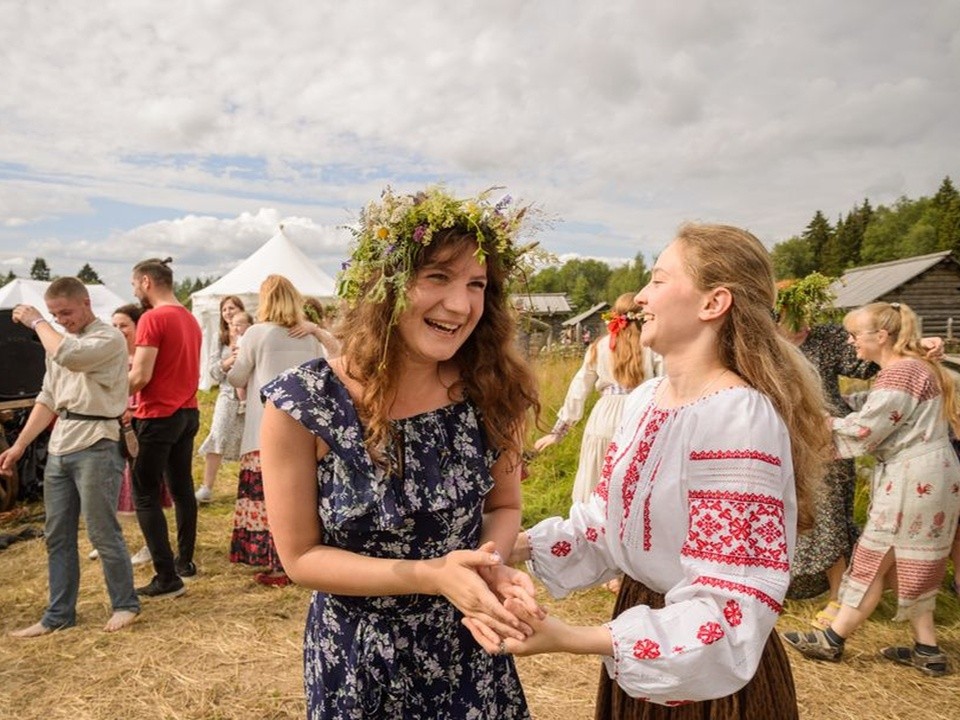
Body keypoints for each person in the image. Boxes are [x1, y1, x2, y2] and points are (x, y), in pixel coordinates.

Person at [472, 223, 833, 717]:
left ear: (714, 303)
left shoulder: (734, 417)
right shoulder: (645, 400)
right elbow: (606, 522)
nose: (642, 296)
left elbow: (730, 607)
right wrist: (513, 546)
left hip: (701, 677)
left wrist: (571, 637)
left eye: (660, 280)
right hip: (646, 629)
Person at [258, 186, 542, 719]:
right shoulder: (304, 404)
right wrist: (430, 574)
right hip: (361, 656)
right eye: (437, 277)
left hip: (468, 645)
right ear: (386, 285)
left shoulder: (491, 389)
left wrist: (490, 567)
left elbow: (503, 507)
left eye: (476, 284)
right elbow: (300, 558)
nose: (460, 305)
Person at [783, 301, 960, 678]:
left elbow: (865, 429)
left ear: (881, 336)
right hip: (929, 476)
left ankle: (832, 638)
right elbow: (875, 406)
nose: (851, 343)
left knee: (872, 560)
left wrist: (818, 423)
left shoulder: (901, 374)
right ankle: (927, 649)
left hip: (912, 481)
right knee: (911, 560)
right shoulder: (908, 371)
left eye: (855, 335)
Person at [1, 278, 140, 635]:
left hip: (97, 443)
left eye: (66, 312)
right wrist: (18, 447)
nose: (61, 319)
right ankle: (58, 614)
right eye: (54, 314)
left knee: (101, 530)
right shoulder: (58, 341)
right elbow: (47, 398)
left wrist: (37, 322)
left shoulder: (107, 337)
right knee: (57, 534)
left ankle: (125, 603)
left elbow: (70, 356)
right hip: (61, 445)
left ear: (85, 303)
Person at [226, 275, 326, 587]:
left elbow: (237, 377)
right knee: (301, 497)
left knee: (269, 498)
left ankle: (277, 564)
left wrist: (228, 362)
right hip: (308, 429)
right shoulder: (308, 336)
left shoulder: (257, 333)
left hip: (265, 426)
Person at [535, 292, 659, 505]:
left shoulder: (598, 347)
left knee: (596, 480)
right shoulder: (654, 347)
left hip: (604, 417)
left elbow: (579, 389)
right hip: (640, 415)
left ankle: (591, 530)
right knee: (633, 483)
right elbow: (666, 385)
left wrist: (558, 432)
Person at [128, 257, 203, 599]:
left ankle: (167, 577)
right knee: (182, 487)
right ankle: (184, 561)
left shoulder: (152, 318)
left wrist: (105, 393)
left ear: (146, 281)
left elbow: (141, 375)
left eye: (134, 285)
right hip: (187, 412)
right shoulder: (189, 318)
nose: (135, 292)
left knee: (145, 493)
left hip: (157, 415)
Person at [89, 304, 174, 566]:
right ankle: (111, 541)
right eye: (114, 326)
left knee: (143, 488)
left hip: (140, 426)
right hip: (112, 426)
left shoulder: (145, 358)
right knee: (112, 483)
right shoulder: (111, 357)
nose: (118, 330)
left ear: (138, 328)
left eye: (124, 325)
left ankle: (153, 544)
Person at [195, 296, 246, 504]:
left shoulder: (251, 333)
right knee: (217, 434)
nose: (227, 312)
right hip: (227, 393)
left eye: (231, 308)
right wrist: (229, 362)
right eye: (224, 309)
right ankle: (207, 487)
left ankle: (249, 487)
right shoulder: (220, 337)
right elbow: (213, 370)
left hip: (249, 396)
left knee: (249, 441)